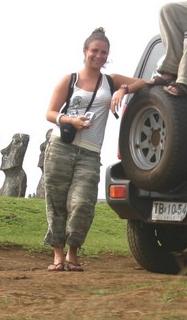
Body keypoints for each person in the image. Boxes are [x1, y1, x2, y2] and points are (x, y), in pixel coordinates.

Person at [43, 27, 146, 272]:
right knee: (56, 202)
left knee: (83, 203)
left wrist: (123, 90)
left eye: (104, 52)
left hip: (90, 152)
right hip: (61, 146)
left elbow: (143, 82)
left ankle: (72, 252)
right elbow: (50, 113)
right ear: (85, 51)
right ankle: (57, 255)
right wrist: (70, 121)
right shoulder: (70, 80)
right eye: (95, 51)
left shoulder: (110, 81)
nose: (99, 56)